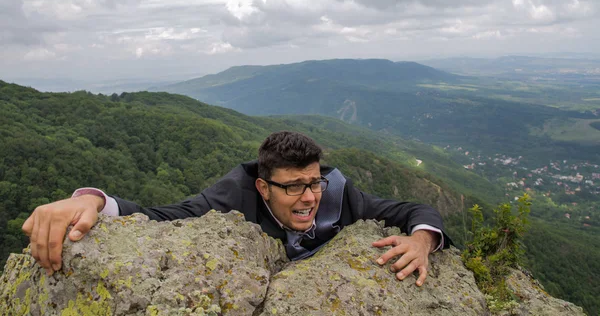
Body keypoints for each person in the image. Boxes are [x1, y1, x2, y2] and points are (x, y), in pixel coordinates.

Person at [23, 131, 451, 286]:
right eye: (294, 187)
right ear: (263, 187)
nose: (309, 197)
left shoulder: (338, 192)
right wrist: (90, 200)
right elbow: (158, 219)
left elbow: (412, 209)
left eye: (313, 182)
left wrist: (422, 240)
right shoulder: (231, 200)